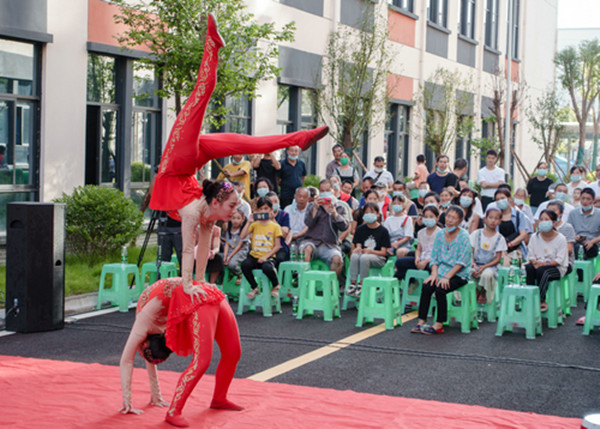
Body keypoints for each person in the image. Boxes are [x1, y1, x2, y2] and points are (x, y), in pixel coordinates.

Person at [148, 14, 329, 294]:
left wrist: (192, 284)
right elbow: (195, 251)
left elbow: (190, 250)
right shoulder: (205, 213)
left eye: (232, 207)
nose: (234, 212)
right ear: (218, 201)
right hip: (188, 165)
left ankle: (300, 138)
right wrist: (195, 284)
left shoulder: (197, 213)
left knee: (240, 133)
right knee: (237, 130)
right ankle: (213, 46)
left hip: (178, 160)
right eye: (232, 207)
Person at [119, 277, 242, 427]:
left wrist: (128, 400)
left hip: (201, 292)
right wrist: (154, 396)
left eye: (142, 350)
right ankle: (174, 411)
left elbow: (126, 360)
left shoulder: (143, 323)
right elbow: (150, 359)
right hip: (194, 297)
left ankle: (219, 398)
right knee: (203, 360)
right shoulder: (150, 333)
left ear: (144, 344)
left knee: (233, 352)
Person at [411, 205, 472, 335]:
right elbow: (434, 258)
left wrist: (446, 277)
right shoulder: (440, 234)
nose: (449, 220)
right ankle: (421, 321)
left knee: (441, 289)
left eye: (454, 218)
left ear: (460, 221)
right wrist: (434, 274)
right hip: (441, 271)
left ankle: (439, 324)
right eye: (448, 216)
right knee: (427, 285)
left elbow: (462, 262)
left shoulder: (464, 236)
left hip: (459, 274)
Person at [301, 179, 349, 283]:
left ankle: (331, 288)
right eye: (322, 190)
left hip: (329, 245)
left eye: (327, 190)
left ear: (333, 190)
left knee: (337, 259)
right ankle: (304, 283)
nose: (325, 193)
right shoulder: (312, 205)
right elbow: (308, 223)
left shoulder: (340, 207)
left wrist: (335, 214)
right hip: (312, 242)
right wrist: (315, 209)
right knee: (306, 250)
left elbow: (344, 227)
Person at [525, 209, 569, 312]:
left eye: (546, 219)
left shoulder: (561, 238)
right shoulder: (534, 237)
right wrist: (535, 262)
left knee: (543, 271)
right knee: (528, 268)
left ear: (554, 222)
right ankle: (530, 296)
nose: (543, 222)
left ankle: (541, 299)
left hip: (556, 267)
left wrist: (543, 264)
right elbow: (531, 255)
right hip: (538, 264)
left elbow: (559, 260)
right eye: (541, 219)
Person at [240, 197, 282, 299]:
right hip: (255, 256)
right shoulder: (254, 224)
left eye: (266, 208)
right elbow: (242, 236)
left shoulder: (275, 227)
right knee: (245, 265)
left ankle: (276, 285)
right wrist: (249, 221)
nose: (263, 211)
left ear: (271, 210)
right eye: (261, 209)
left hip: (268, 256)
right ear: (257, 210)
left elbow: (277, 246)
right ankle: (254, 287)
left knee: (267, 268)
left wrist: (266, 257)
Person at [346, 202, 391, 297]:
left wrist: (370, 251)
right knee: (354, 256)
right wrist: (358, 248)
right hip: (363, 255)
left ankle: (362, 284)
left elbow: (383, 253)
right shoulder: (360, 229)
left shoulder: (383, 231)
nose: (369, 215)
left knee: (364, 258)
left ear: (378, 214)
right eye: (366, 213)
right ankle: (353, 283)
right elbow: (358, 245)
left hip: (378, 258)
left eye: (372, 212)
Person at [394, 204, 441, 283]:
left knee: (431, 268)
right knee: (399, 262)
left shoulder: (440, 233)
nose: (428, 219)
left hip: (433, 262)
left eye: (431, 216)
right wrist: (417, 258)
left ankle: (431, 288)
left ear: (437, 218)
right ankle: (412, 282)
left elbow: (439, 253)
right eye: (426, 217)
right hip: (421, 259)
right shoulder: (421, 233)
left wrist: (425, 262)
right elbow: (419, 249)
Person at [470, 207, 506, 305]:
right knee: (468, 272)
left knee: (487, 274)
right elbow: (470, 253)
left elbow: (498, 259)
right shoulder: (476, 234)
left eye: (496, 218)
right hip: (475, 263)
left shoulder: (500, 238)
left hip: (490, 266)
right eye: (490, 217)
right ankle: (475, 290)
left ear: (499, 221)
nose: (493, 221)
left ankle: (483, 292)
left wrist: (484, 267)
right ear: (485, 219)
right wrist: (473, 265)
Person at [494, 188, 532, 265]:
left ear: (509, 199)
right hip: (498, 249)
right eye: (497, 199)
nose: (500, 201)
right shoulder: (495, 215)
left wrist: (509, 245)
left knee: (507, 262)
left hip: (515, 249)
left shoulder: (518, 215)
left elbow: (523, 235)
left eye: (502, 198)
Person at [567, 187, 600, 261]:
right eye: (583, 198)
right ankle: (581, 270)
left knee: (586, 249)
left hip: (592, 244)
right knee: (577, 248)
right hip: (576, 243)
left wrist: (592, 241)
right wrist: (574, 237)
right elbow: (568, 230)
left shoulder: (598, 213)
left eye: (588, 199)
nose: (585, 201)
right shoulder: (573, 213)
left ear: (593, 200)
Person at [546, 200, 575, 275]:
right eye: (548, 211)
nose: (550, 213)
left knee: (543, 271)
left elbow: (569, 250)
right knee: (529, 268)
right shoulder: (545, 227)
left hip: (563, 262)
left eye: (554, 211)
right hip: (545, 260)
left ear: (561, 213)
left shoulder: (567, 227)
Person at [223, 208, 249, 284]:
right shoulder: (229, 230)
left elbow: (239, 246)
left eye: (238, 218)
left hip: (240, 251)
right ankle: (231, 274)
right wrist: (225, 257)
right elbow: (227, 244)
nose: (235, 220)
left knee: (232, 264)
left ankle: (239, 274)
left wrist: (229, 257)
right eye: (233, 218)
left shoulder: (243, 231)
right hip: (231, 250)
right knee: (222, 260)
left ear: (243, 219)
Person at [266, 191, 291, 266]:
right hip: (264, 246)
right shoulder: (262, 215)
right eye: (271, 202)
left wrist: (273, 220)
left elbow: (284, 234)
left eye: (276, 201)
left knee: (279, 258)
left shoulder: (284, 215)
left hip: (280, 247)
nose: (274, 204)